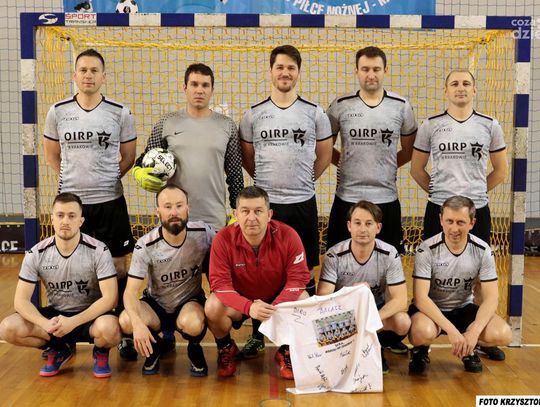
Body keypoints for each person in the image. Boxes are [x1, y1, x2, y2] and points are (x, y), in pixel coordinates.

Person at [42, 48, 137, 360]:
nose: (88, 75)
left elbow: (128, 157)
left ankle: (122, 332)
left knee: (119, 266)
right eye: (83, 70)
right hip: (74, 205)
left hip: (110, 202)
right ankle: (66, 335)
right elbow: (52, 155)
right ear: (75, 75)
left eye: (94, 70)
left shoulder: (119, 112)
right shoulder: (57, 111)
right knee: (72, 265)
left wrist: (104, 180)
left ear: (103, 77)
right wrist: (75, 185)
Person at [239, 45, 333, 358]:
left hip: (303, 203)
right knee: (262, 272)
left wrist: (303, 181)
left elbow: (324, 156)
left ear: (298, 72)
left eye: (291, 67)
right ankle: (258, 334)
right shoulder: (254, 114)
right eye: (279, 67)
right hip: (267, 208)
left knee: (303, 273)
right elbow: (249, 159)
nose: (285, 73)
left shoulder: (314, 113)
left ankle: (301, 338)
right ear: (271, 71)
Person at [410, 69, 508, 360]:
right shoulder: (431, 125)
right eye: (454, 83)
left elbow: (500, 170)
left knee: (476, 274)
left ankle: (474, 338)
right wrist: (442, 198)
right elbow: (416, 169)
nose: (460, 88)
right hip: (438, 209)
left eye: (466, 83)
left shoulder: (489, 125)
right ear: (446, 91)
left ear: (474, 90)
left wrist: (472, 198)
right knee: (434, 271)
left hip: (476, 210)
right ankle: (423, 344)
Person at [0, 193, 120, 378]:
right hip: (56, 318)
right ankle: (57, 348)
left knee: (111, 329)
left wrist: (73, 322)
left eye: (72, 216)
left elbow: (110, 299)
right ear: (52, 219)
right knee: (7, 328)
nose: (65, 221)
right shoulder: (36, 253)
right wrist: (45, 324)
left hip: (89, 317)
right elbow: (20, 301)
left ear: (81, 221)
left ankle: (101, 352)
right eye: (60, 215)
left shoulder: (98, 250)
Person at [204, 186, 310, 379]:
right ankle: (226, 347)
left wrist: (275, 306)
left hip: (276, 299)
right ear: (236, 214)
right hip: (240, 300)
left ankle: (286, 351)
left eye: (258, 211)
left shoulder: (288, 235)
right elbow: (220, 285)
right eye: (245, 211)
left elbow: (299, 278)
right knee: (212, 306)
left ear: (269, 215)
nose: (251, 218)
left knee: (303, 299)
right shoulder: (223, 239)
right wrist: (248, 307)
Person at [326, 46, 417, 253]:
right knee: (338, 259)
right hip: (347, 197)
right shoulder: (340, 105)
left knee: (389, 261)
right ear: (356, 71)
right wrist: (345, 163)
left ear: (385, 70)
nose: (371, 75)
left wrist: (387, 165)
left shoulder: (401, 105)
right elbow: (325, 148)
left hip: (386, 198)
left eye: (376, 69)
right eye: (365, 69)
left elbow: (410, 150)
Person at [133, 62, 244, 231]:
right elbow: (145, 158)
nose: (199, 90)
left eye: (205, 85)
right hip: (175, 219)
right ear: (185, 88)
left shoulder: (227, 125)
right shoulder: (167, 122)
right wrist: (138, 171)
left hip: (214, 220)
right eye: (194, 84)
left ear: (212, 90)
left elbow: (235, 175)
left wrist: (238, 211)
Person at [407, 196, 512, 374]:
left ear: (472, 223)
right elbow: (420, 298)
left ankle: (470, 347)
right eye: (449, 221)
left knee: (503, 334)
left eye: (461, 222)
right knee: (421, 332)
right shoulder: (426, 249)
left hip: (464, 308)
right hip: (432, 311)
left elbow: (492, 297)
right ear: (441, 220)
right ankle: (421, 349)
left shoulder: (482, 250)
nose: (454, 228)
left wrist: (474, 332)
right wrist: (452, 331)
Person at [119, 185, 214, 376]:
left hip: (189, 303)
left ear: (188, 208)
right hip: (156, 305)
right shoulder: (145, 245)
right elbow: (130, 292)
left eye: (179, 205)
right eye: (168, 206)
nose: (174, 212)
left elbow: (227, 249)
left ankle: (194, 348)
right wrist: (137, 324)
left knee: (194, 322)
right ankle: (155, 347)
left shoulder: (204, 233)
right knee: (126, 320)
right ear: (158, 211)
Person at [318, 200, 411, 374]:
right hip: (344, 312)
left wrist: (370, 318)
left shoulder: (389, 253)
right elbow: (323, 296)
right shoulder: (334, 254)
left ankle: (377, 347)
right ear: (349, 226)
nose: (362, 229)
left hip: (376, 312)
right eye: (357, 223)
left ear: (378, 227)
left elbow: (400, 301)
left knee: (403, 322)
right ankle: (348, 349)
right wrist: (353, 297)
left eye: (369, 223)